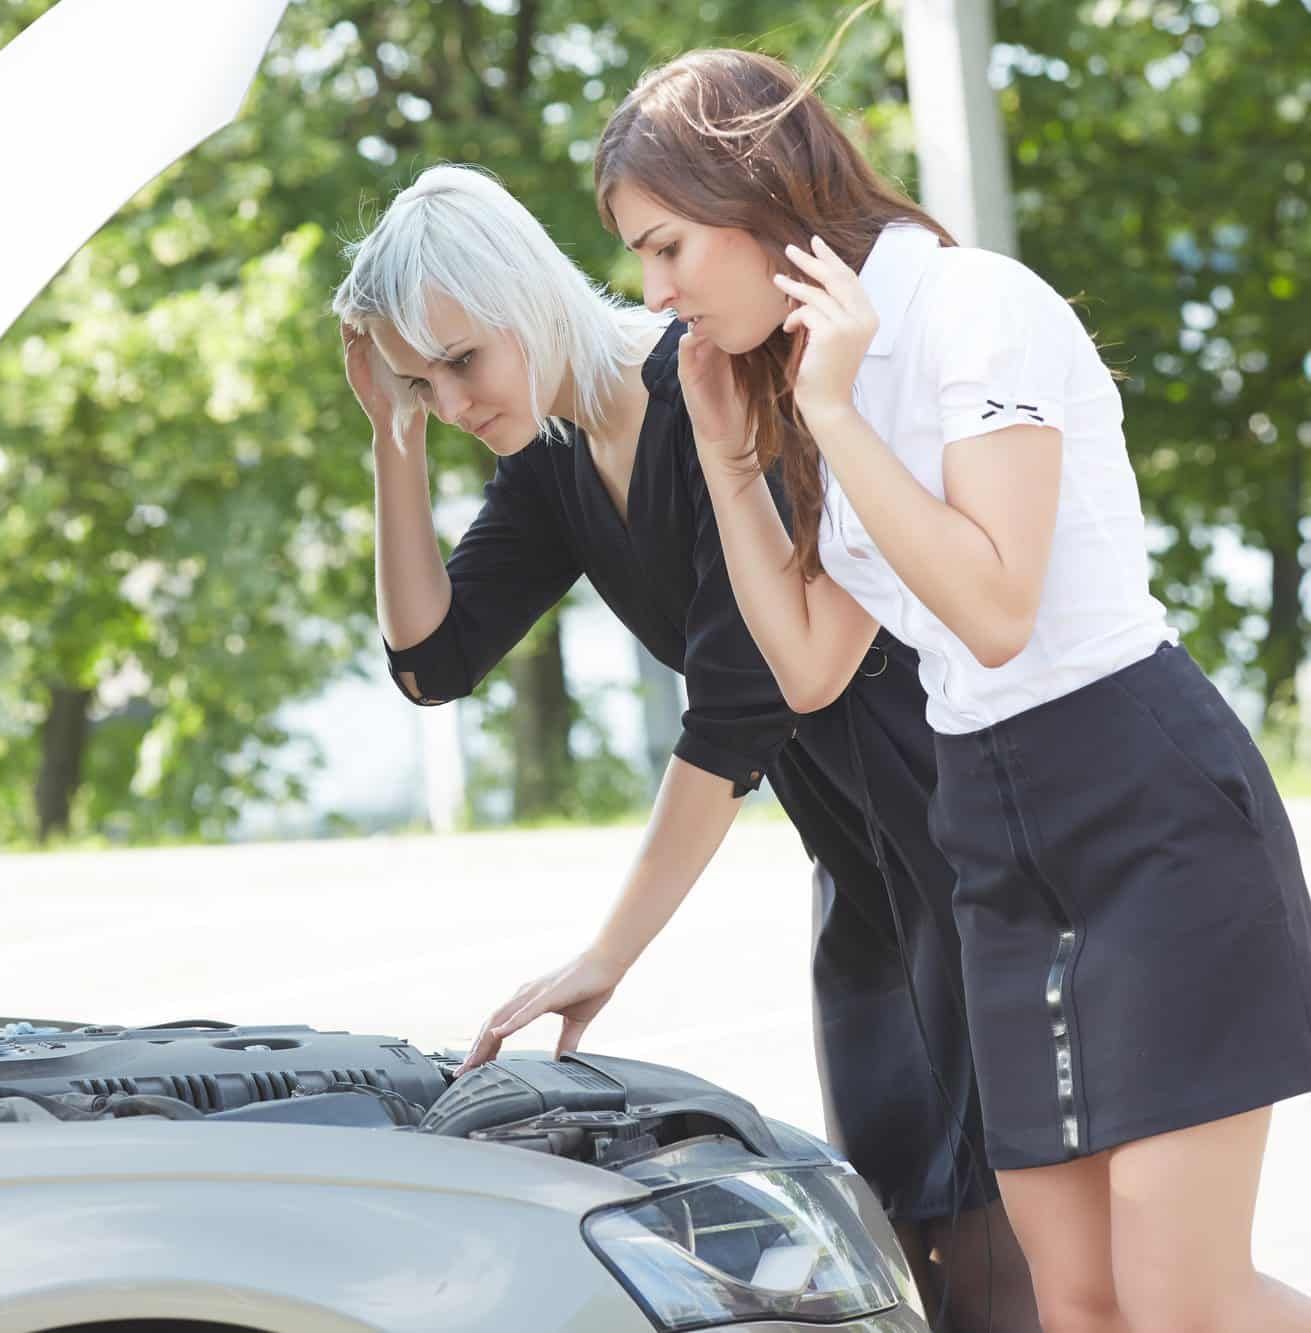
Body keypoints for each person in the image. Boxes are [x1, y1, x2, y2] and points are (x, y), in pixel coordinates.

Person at [593, 45, 1311, 1333]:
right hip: (988, 832)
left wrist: (834, 415)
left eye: (667, 249)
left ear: (758, 197)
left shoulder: (976, 309)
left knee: (1179, 1302)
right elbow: (810, 665)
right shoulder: (824, 374)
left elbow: (992, 606)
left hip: (1145, 807)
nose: (655, 295)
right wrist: (724, 452)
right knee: (1075, 1305)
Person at [333, 163, 1034, 1328]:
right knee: (905, 1237)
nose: (451, 402)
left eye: (462, 361)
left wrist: (605, 955)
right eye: (421, 380)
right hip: (857, 871)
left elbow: (733, 717)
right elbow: (430, 662)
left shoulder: (709, 389)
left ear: (524, 295)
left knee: (1005, 1248)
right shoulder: (555, 461)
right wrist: (388, 440)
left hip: (957, 833)